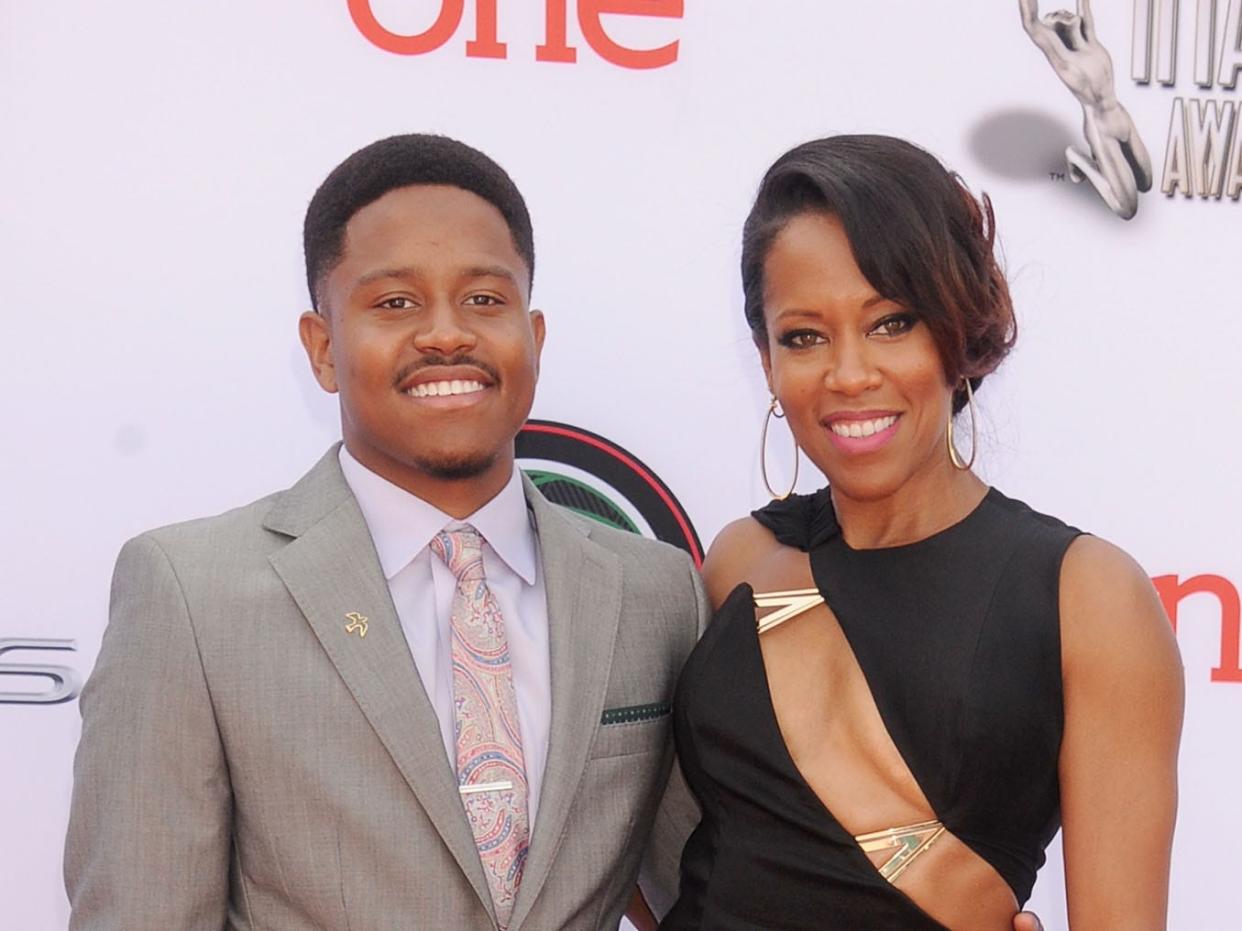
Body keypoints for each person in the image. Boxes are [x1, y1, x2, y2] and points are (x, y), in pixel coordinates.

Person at [64, 133, 706, 931]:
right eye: (395, 302)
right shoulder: (192, 595)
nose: (446, 334)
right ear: (323, 346)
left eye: (483, 299)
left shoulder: (656, 591)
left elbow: (706, 893)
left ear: (534, 337)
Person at [658, 136, 1182, 929]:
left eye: (891, 323)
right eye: (803, 335)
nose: (849, 373)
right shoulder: (742, 561)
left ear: (958, 332)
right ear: (766, 360)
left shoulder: (1086, 595)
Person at [1020, 0, 1153, 219]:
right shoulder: (1065, 61)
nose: (1062, 11)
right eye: (1055, 14)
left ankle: (1100, 166)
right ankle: (1078, 158)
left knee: (1146, 183)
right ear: (1053, 32)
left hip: (1122, 118)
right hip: (1101, 130)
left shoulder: (1091, 40)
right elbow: (1031, 22)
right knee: (1127, 208)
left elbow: (1084, 5)